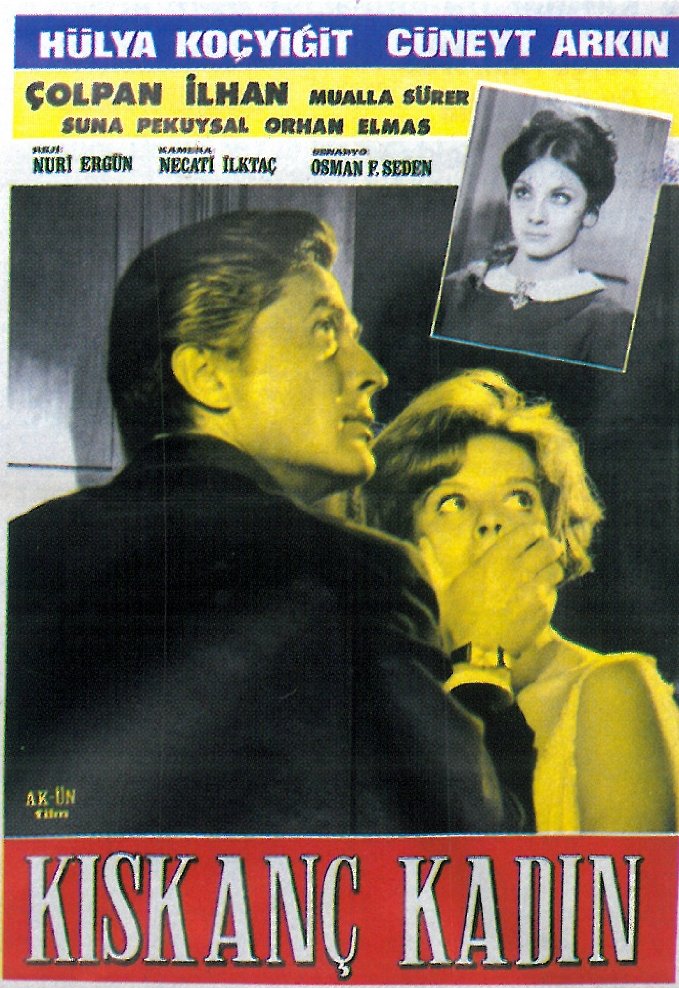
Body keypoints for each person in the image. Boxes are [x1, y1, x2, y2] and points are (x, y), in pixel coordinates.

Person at [4, 211, 556, 837]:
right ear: (208, 376)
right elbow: (472, 859)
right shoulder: (359, 574)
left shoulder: (20, 552)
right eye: (325, 332)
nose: (371, 372)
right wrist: (482, 660)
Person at [362, 369, 679, 832]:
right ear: (405, 540)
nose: (491, 521)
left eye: (518, 498)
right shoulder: (391, 696)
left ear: (554, 533)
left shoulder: (613, 689)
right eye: (452, 502)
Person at [434, 110, 633, 369]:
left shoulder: (610, 324)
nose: (536, 216)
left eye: (560, 197)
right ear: (509, 197)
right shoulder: (454, 292)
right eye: (524, 193)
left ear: (590, 213)